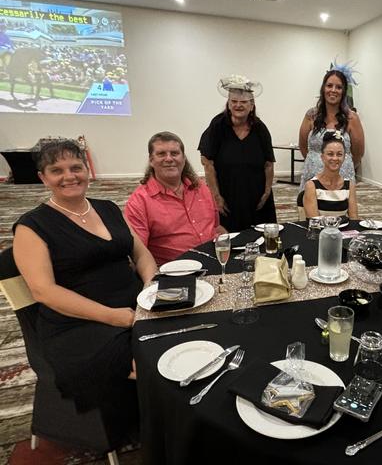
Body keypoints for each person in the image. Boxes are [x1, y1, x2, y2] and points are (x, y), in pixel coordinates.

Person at [12, 140, 157, 419]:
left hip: (135, 307)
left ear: (87, 170)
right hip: (80, 325)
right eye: (57, 170)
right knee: (157, 361)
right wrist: (113, 317)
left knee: (190, 335)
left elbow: (141, 255)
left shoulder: (108, 208)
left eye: (76, 167)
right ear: (43, 178)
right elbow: (44, 291)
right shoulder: (32, 226)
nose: (69, 176)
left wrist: (151, 289)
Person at [125, 131, 226, 265]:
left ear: (183, 159)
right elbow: (138, 255)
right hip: (175, 273)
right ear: (151, 160)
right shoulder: (139, 202)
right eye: (161, 154)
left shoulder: (201, 188)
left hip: (215, 262)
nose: (169, 159)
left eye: (174, 153)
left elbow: (216, 228)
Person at [199, 75, 277, 231]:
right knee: (229, 238)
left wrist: (267, 192)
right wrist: (216, 196)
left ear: (252, 105)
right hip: (227, 195)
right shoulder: (218, 125)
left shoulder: (260, 128)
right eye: (234, 102)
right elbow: (207, 163)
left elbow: (269, 164)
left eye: (243, 102)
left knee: (261, 238)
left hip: (257, 197)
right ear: (228, 104)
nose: (238, 106)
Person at [298, 68, 365, 191]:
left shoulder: (352, 118)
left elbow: (358, 153)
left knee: (338, 209)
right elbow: (303, 147)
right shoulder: (311, 115)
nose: (333, 90)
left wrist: (343, 164)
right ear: (323, 88)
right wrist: (315, 160)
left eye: (338, 87)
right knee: (310, 209)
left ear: (343, 91)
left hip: (342, 177)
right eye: (329, 85)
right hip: (313, 176)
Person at [301, 131, 359, 219]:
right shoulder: (311, 186)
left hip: (343, 232)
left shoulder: (349, 186)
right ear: (322, 157)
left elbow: (354, 219)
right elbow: (314, 222)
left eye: (339, 154)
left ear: (344, 158)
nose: (335, 158)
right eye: (330, 154)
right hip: (319, 231)